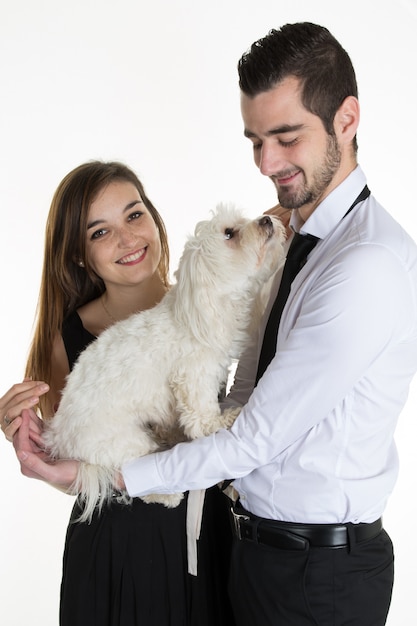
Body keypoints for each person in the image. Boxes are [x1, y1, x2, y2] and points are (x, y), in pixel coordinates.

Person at [11, 22, 417, 625]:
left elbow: (251, 436)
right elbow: (244, 391)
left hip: (302, 567)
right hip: (237, 551)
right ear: (78, 252)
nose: (267, 163)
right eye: (256, 140)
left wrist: (107, 473)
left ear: (346, 119)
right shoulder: (303, 242)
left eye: (286, 137)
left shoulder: (361, 264)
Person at [0, 160, 235, 626]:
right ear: (78, 256)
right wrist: (26, 437)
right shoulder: (65, 340)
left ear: (153, 217)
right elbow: (79, 460)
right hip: (118, 553)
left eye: (133, 215)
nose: (128, 239)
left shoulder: (207, 306)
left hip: (213, 539)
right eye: (100, 232)